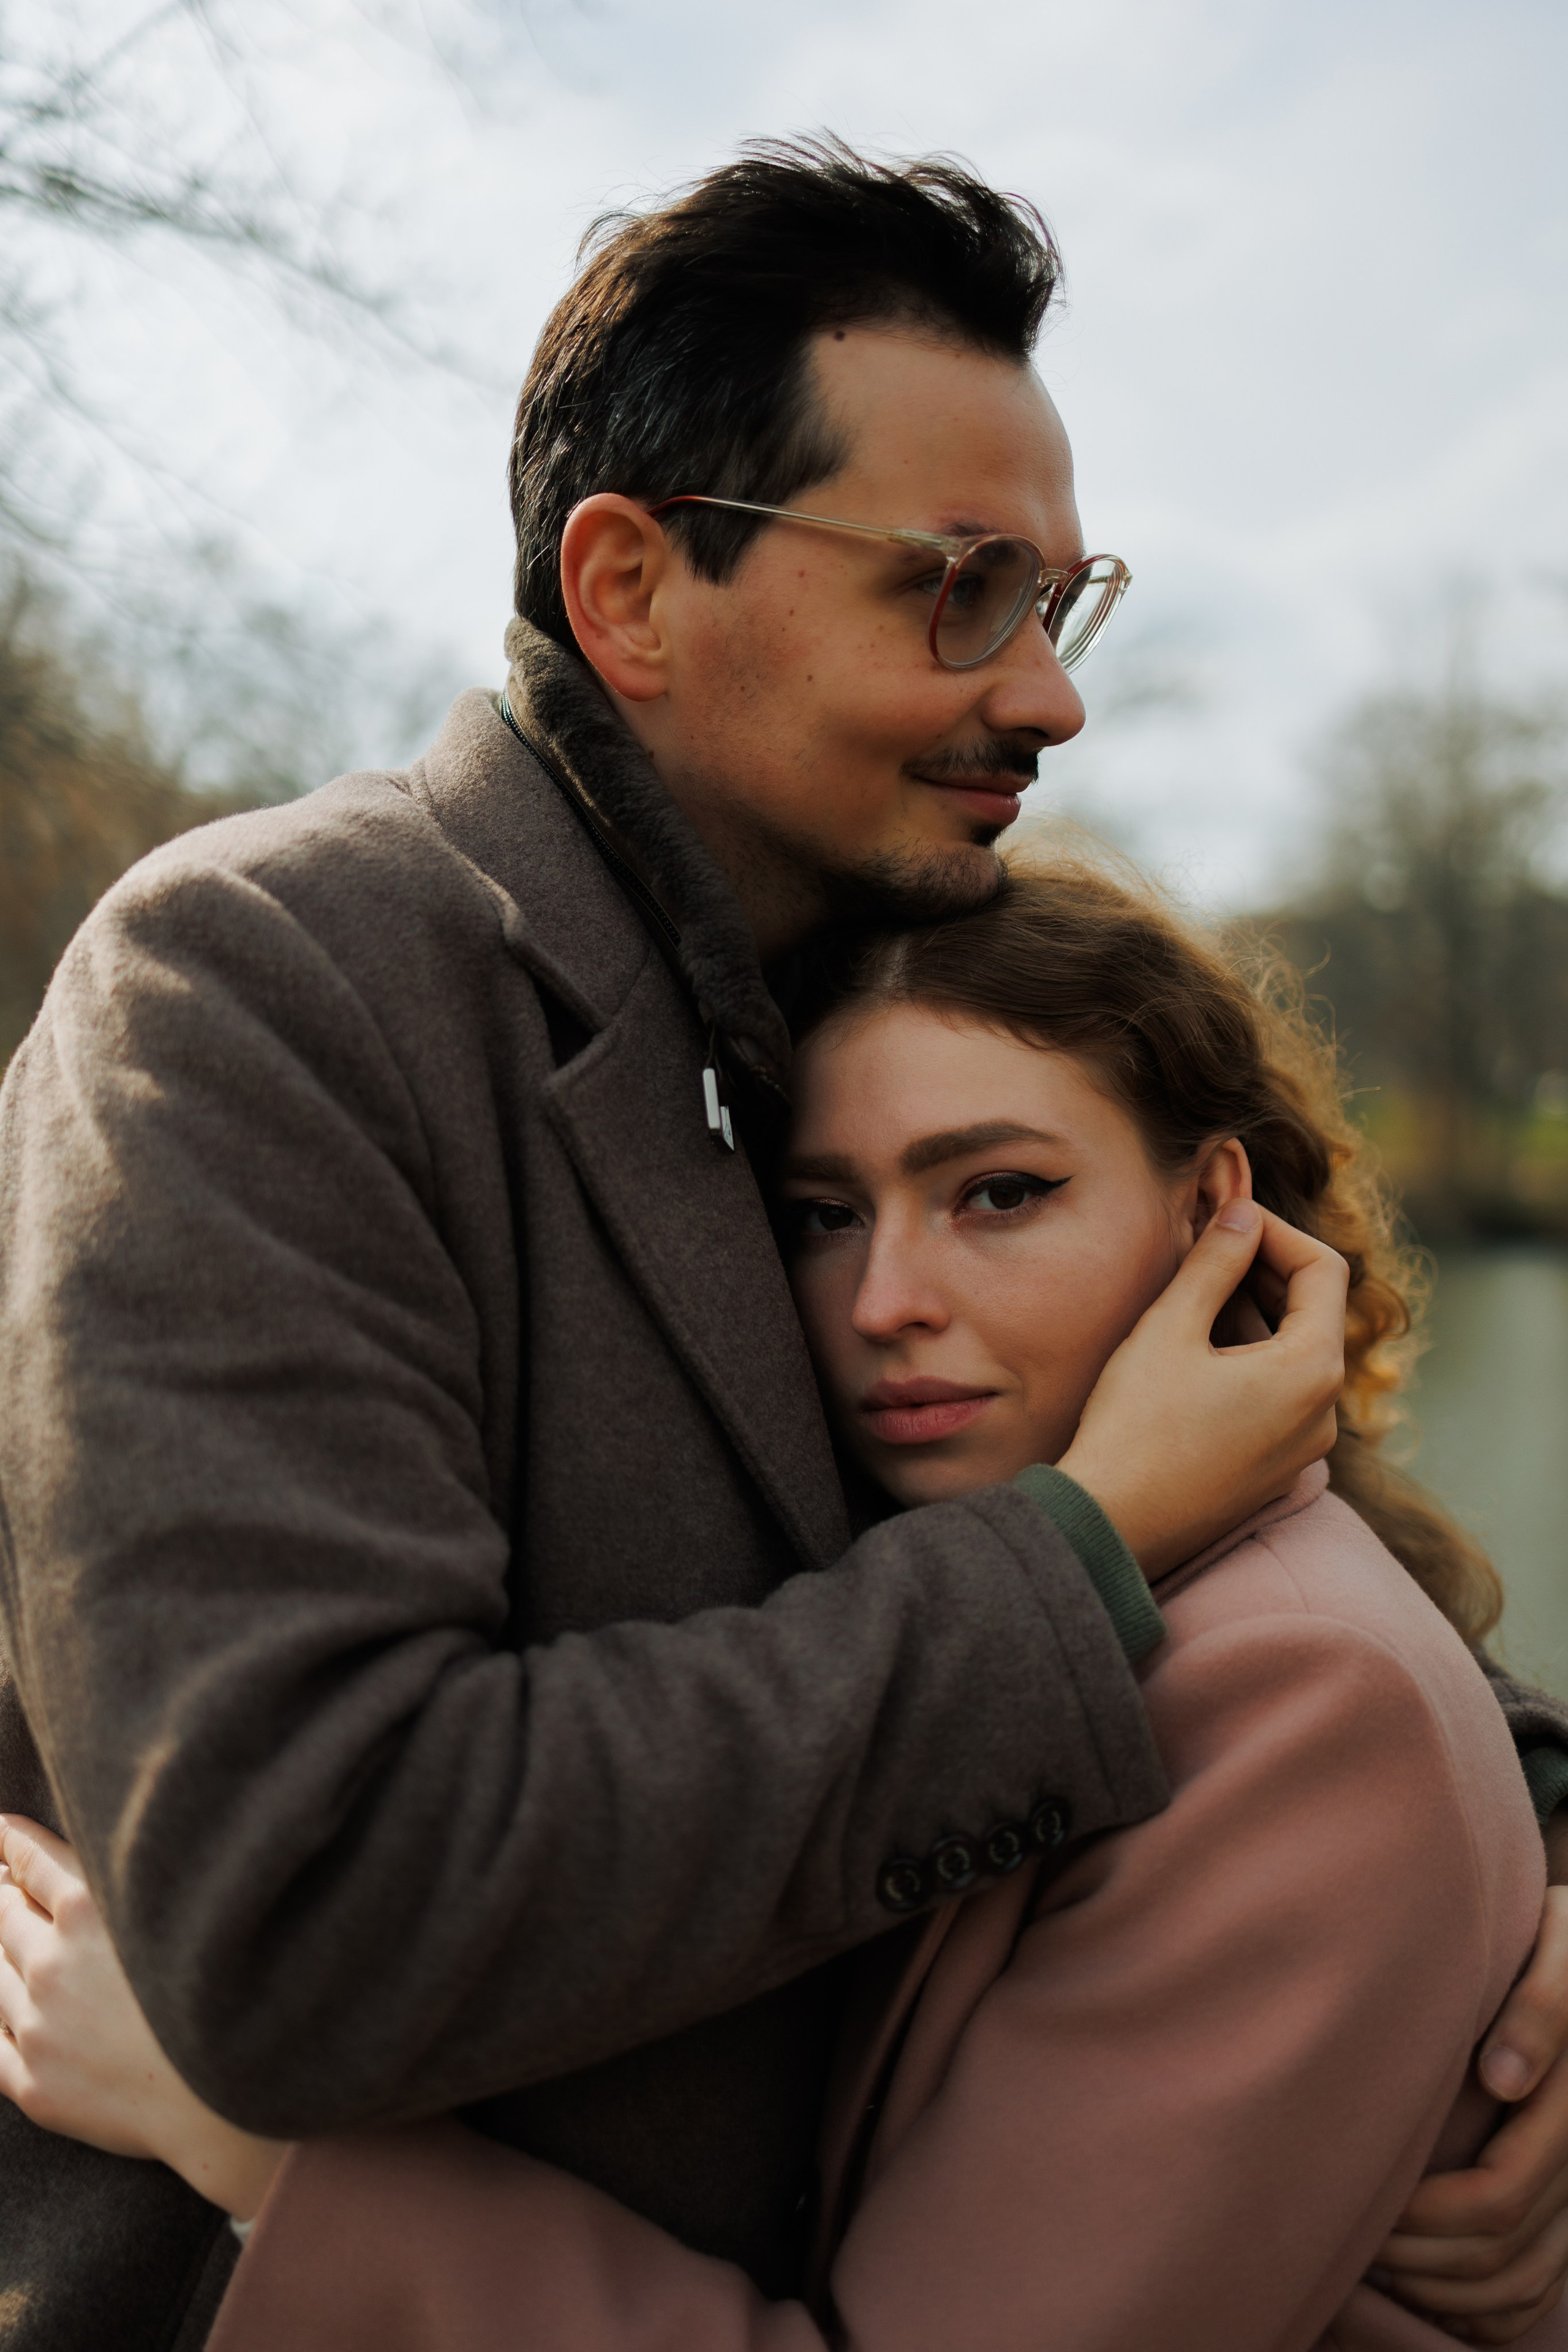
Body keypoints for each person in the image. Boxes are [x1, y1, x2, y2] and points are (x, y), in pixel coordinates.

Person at [0, 141, 1564, 2349]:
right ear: (633, 590)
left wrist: (1514, 1890)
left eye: (1061, 601)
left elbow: (1277, 1614)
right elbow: (303, 1916)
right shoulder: (262, 988)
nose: (1050, 698)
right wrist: (1078, 1556)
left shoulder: (837, 1005)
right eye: (963, 591)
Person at [3, 852, 1567, 2352]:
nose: (886, 1302)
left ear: (1208, 1206)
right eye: (822, 1215)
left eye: (999, 1193)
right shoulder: (908, 1533)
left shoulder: (1303, 1700)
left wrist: (261, 2149)